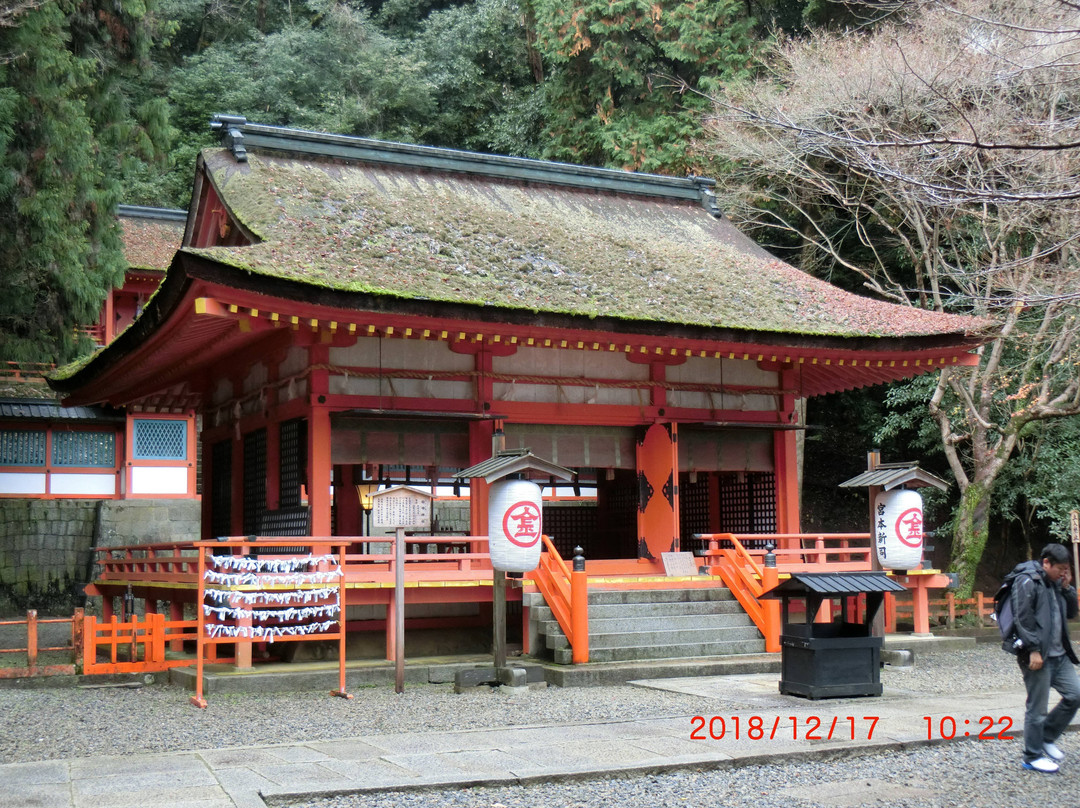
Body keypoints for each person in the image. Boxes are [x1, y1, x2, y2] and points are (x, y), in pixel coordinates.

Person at [1004, 543, 1080, 773]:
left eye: (1066, 569)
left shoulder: (1056, 582)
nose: (1063, 573)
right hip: (1038, 655)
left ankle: (1046, 737)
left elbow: (1071, 613)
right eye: (1060, 569)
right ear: (1046, 563)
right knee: (1037, 708)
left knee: (1075, 694)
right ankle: (1032, 756)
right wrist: (1033, 650)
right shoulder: (1027, 581)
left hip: (1060, 654)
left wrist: (1067, 588)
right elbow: (1022, 618)